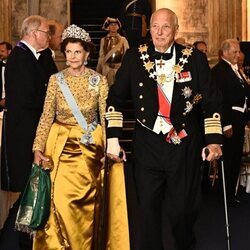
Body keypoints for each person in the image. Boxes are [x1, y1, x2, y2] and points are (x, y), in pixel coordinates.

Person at [105, 8, 223, 250]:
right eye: (155, 26)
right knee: (147, 208)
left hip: (184, 144)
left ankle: (184, 243)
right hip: (147, 144)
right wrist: (113, 139)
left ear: (175, 29)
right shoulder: (135, 57)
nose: (159, 32)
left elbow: (211, 100)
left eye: (166, 26)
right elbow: (115, 99)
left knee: (183, 209)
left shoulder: (194, 58)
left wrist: (213, 140)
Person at [32, 24, 109, 250]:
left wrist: (107, 150)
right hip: (61, 150)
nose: (72, 56)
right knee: (58, 202)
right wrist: (38, 148)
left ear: (86, 53)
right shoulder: (56, 80)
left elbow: (105, 118)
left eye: (77, 52)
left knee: (86, 206)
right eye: (68, 52)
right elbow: (46, 116)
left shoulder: (99, 81)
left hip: (89, 151)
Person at [0, 15, 54, 250]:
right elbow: (26, 99)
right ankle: (14, 240)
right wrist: (50, 104)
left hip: (32, 131)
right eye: (46, 32)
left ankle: (22, 238)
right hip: (24, 135)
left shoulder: (36, 57)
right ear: (33, 32)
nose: (48, 36)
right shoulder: (19, 58)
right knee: (26, 188)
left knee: (30, 188)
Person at [212, 39, 250, 206]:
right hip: (230, 123)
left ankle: (231, 194)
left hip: (240, 121)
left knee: (235, 160)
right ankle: (224, 196)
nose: (238, 54)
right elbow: (221, 99)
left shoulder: (236, 70)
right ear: (225, 53)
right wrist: (226, 124)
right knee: (228, 161)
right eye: (234, 52)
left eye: (238, 51)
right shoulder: (220, 71)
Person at [96, 17, 129, 86]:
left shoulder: (123, 40)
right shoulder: (103, 40)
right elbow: (101, 56)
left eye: (115, 25)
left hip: (119, 69)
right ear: (108, 27)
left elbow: (127, 55)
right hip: (107, 70)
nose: (113, 27)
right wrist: (98, 70)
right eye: (111, 25)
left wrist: (125, 70)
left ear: (118, 27)